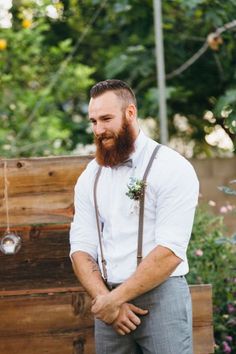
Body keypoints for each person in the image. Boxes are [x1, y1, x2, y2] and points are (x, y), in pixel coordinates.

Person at [69, 79, 199, 354]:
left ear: (130, 113)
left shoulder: (172, 167)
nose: (99, 129)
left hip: (162, 298)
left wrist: (115, 299)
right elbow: (81, 248)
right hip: (107, 304)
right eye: (93, 121)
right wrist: (106, 300)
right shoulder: (89, 177)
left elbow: (170, 250)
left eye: (106, 118)